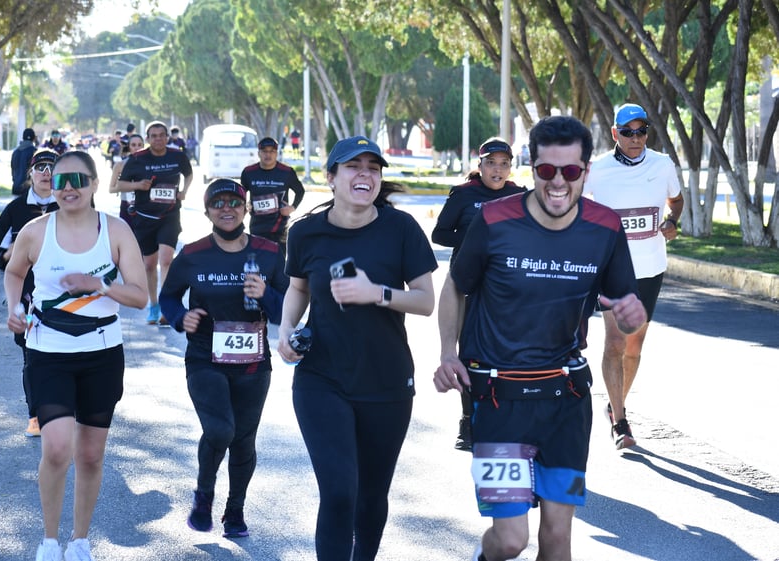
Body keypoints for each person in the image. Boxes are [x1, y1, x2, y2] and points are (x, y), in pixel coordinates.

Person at [433, 115, 647, 561]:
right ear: (532, 168)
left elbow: (623, 311)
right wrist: (447, 351)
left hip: (565, 401)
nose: (557, 182)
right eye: (547, 170)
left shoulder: (605, 227)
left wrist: (631, 315)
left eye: (570, 171)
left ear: (585, 171)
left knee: (556, 539)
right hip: (498, 400)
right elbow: (456, 284)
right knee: (511, 541)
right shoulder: (495, 219)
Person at [277, 136, 437, 561]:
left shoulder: (401, 229)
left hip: (386, 382)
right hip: (321, 379)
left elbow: (425, 301)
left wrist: (376, 293)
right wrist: (285, 330)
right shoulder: (306, 232)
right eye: (353, 166)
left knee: (370, 496)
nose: (364, 174)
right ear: (331, 178)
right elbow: (297, 289)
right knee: (339, 493)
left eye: (373, 167)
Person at [3, 150, 148, 561]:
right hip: (48, 351)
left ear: (94, 184)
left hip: (102, 353)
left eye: (78, 181)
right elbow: (14, 272)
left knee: (89, 453)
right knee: (56, 448)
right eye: (61, 180)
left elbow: (139, 296)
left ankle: (80, 541)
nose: (68, 189)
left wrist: (98, 286)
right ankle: (50, 542)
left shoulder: (116, 232)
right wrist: (14, 308)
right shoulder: (35, 231)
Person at [159, 178, 288, 539]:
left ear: (246, 208)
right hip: (204, 359)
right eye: (219, 203)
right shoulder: (194, 254)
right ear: (207, 211)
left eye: (234, 202)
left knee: (244, 441)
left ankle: (235, 511)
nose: (227, 209)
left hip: (253, 365)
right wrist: (179, 318)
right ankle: (204, 496)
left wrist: (266, 295)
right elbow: (168, 297)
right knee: (220, 430)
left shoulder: (270, 253)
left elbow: (287, 312)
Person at [583, 103, 684, 450]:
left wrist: (672, 223)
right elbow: (577, 207)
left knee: (633, 346)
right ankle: (622, 423)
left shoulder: (662, 164)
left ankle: (615, 406)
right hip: (611, 270)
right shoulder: (598, 169)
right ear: (615, 134)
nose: (636, 138)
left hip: (650, 267)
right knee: (614, 342)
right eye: (628, 132)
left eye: (641, 131)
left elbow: (676, 200)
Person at [431, 137, 526, 452]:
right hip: (467, 285)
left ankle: (505, 420)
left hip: (506, 289)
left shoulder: (520, 196)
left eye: (503, 164)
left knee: (510, 355)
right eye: (491, 163)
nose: (497, 170)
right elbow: (440, 233)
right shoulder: (463, 195)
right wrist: (475, 235)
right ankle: (468, 421)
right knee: (469, 354)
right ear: (480, 165)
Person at [0, 148, 60, 437]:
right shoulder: (15, 210)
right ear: (29, 174)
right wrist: (16, 254)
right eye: (40, 167)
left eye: (51, 167)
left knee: (64, 355)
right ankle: (35, 416)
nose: (46, 173)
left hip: (63, 299)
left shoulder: (71, 208)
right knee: (31, 357)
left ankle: (65, 411)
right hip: (25, 299)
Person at [118, 120, 194, 325]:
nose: (158, 139)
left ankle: (167, 305)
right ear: (148, 138)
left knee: (166, 260)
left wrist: (184, 191)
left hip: (170, 215)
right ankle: (154, 305)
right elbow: (120, 184)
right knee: (149, 264)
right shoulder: (137, 159)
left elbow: (189, 173)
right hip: (145, 217)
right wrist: (138, 185)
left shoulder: (177, 155)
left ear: (167, 137)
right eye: (154, 136)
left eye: (162, 135)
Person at [240, 136, 305, 254]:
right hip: (257, 226)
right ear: (258, 153)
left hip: (279, 226)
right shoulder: (249, 172)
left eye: (272, 151)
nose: (268, 155)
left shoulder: (286, 172)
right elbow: (241, 193)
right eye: (264, 151)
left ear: (277, 153)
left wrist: (292, 207)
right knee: (258, 260)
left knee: (279, 261)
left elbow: (300, 191)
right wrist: (245, 205)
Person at [108, 133, 145, 228]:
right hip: (127, 206)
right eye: (133, 145)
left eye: (140, 145)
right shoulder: (120, 165)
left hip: (145, 206)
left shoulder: (150, 165)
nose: (137, 148)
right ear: (128, 147)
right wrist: (127, 186)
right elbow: (111, 189)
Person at [11, 128, 37, 195]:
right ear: (34, 138)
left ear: (23, 138)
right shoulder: (35, 152)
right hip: (29, 190)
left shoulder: (15, 152)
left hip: (16, 188)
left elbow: (13, 170)